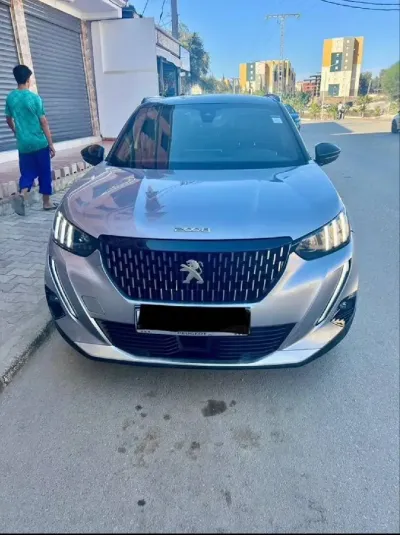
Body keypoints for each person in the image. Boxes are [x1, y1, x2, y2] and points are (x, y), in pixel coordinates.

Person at [5, 64, 57, 216]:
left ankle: (22, 194)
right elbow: (44, 122)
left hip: (23, 143)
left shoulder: (10, 98)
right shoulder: (35, 98)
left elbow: (8, 119)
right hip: (39, 142)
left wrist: (16, 131)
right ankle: (46, 202)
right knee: (44, 171)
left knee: (27, 171)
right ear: (28, 79)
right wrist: (51, 144)